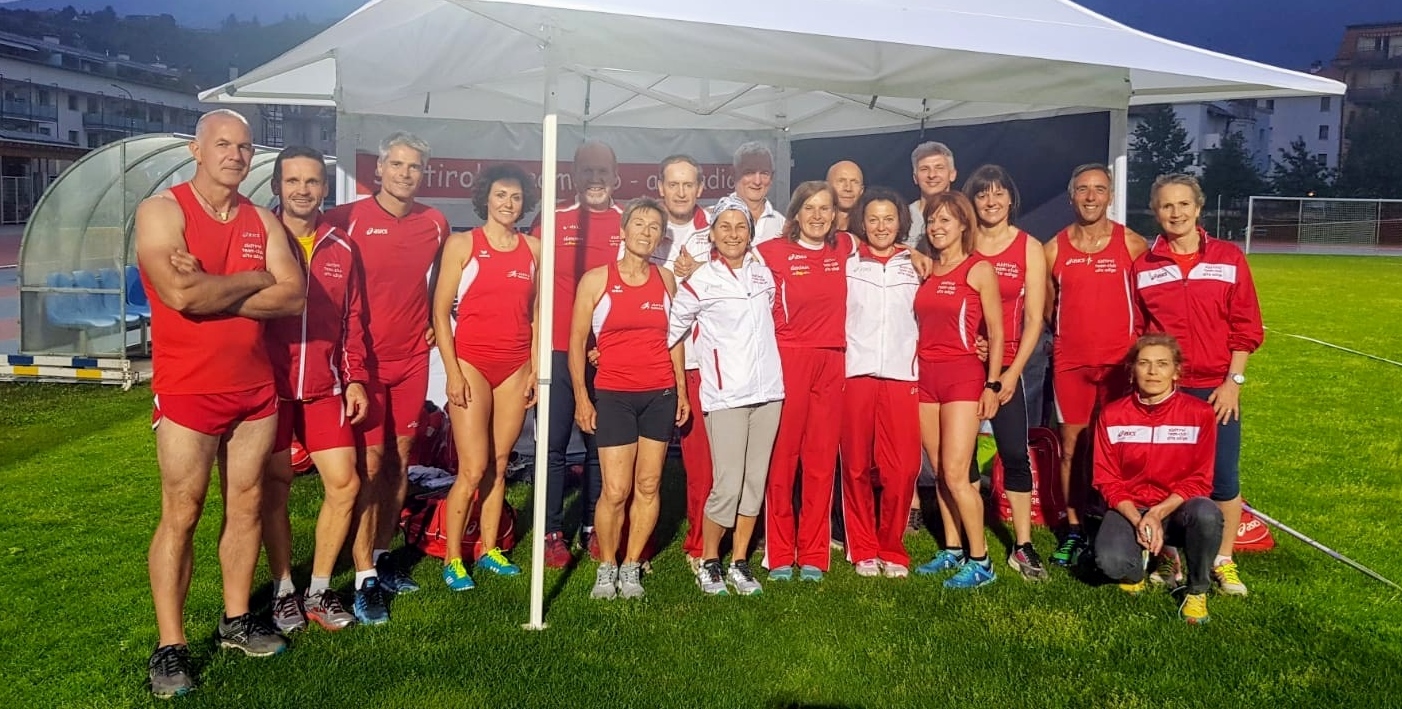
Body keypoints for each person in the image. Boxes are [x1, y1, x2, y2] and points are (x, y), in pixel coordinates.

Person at [135, 109, 305, 698]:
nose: (235, 155)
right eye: (223, 144)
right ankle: (171, 645)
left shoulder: (261, 218)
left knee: (248, 505)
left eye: (244, 147)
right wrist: (255, 278)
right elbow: (181, 293)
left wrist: (216, 286)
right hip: (189, 389)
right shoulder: (163, 211)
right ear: (197, 150)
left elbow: (294, 296)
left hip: (255, 390)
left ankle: (236, 619)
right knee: (182, 512)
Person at [324, 132, 450, 624]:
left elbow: (442, 280)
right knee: (371, 466)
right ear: (378, 169)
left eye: (413, 166)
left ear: (424, 173)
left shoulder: (435, 223)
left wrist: (434, 318)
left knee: (400, 460)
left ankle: (381, 556)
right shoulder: (346, 218)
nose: (404, 173)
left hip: (411, 358)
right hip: (363, 363)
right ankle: (363, 576)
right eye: (396, 164)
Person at [1132, 173, 1263, 597]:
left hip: (1216, 390)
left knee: (1222, 477)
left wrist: (1233, 382)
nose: (1176, 213)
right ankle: (1170, 555)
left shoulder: (1229, 257)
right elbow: (1140, 332)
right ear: (1156, 212)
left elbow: (1246, 326)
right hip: (1166, 392)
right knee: (1167, 478)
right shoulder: (1144, 266)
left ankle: (1223, 559)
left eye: (1183, 204)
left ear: (1198, 208)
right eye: (1167, 206)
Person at [261, 146, 369, 635]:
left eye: (312, 181)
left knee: (345, 485)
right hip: (270, 388)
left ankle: (319, 590)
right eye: (292, 181)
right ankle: (283, 590)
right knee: (275, 487)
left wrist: (355, 377)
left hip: (325, 387)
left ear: (325, 188)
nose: (302, 190)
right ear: (277, 186)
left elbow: (352, 320)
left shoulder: (341, 246)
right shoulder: (261, 238)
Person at [570, 197, 688, 600]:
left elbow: (675, 338)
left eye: (654, 227)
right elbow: (576, 343)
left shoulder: (666, 279)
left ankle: (632, 564)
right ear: (623, 231)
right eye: (639, 224)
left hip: (659, 393)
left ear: (661, 237)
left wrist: (681, 389)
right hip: (615, 394)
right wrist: (583, 397)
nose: (646, 232)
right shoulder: (596, 280)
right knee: (616, 490)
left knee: (649, 484)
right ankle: (607, 565)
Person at [431, 163, 542, 591]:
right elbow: (440, 312)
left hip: (514, 367)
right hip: (473, 364)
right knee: (473, 467)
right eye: (500, 195)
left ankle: (490, 548)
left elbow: (536, 313)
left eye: (515, 197)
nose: (508, 203)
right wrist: (453, 372)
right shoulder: (463, 244)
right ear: (486, 198)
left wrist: (534, 367)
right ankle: (453, 558)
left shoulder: (533, 249)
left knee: (499, 462)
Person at [668, 195, 784, 596]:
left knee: (753, 483)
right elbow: (672, 330)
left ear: (750, 234)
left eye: (740, 227)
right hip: (726, 396)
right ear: (712, 235)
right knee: (727, 484)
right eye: (725, 227)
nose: (733, 234)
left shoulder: (763, 275)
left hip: (768, 393)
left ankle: (739, 562)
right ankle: (708, 560)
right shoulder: (700, 281)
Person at [1044, 163, 1148, 567]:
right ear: (1071, 196)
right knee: (1071, 448)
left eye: (1099, 189)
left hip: (1120, 365)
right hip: (1072, 365)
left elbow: (1147, 304)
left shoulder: (1132, 244)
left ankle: (1119, 522)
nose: (1091, 197)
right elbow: (1049, 307)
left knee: (1120, 447)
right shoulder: (1053, 248)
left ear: (1110, 196)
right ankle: (1074, 529)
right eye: (1083, 189)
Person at [757, 181, 853, 582]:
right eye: (809, 207)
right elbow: (727, 267)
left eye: (825, 208)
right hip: (789, 359)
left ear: (835, 214)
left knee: (820, 459)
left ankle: (813, 551)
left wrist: (914, 254)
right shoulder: (770, 252)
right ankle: (779, 551)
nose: (817, 216)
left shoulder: (845, 246)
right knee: (783, 458)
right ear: (795, 213)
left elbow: (890, 251)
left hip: (832, 361)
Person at [1093, 333, 1224, 625]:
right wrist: (1138, 518)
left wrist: (1157, 513)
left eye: (1162, 364)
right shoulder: (1112, 414)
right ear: (1132, 371)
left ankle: (1197, 590)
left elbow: (1201, 479)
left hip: (1178, 509)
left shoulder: (1199, 413)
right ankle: (1139, 566)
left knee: (1207, 514)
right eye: (1144, 363)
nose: (1153, 372)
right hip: (1131, 507)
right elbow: (1106, 479)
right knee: (1112, 563)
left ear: (1176, 371)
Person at [536, 140, 624, 567]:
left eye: (602, 171)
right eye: (587, 170)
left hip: (605, 354)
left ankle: (592, 525)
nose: (595, 178)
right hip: (556, 349)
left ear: (615, 176)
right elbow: (532, 287)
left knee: (598, 446)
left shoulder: (628, 223)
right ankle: (551, 531)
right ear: (573, 175)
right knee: (552, 446)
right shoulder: (552, 221)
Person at [911, 191, 1004, 589]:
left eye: (946, 220)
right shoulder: (925, 267)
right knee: (938, 470)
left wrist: (993, 384)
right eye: (932, 220)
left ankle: (981, 560)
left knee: (956, 472)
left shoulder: (978, 268)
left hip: (962, 377)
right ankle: (952, 549)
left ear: (964, 224)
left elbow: (996, 333)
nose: (937, 227)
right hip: (925, 376)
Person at [964, 165, 1049, 581]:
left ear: (1011, 198)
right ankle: (965, 540)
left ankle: (1022, 544)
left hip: (1010, 365)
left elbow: (1034, 319)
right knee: (960, 456)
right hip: (966, 363)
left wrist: (1012, 372)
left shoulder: (1028, 246)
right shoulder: (963, 243)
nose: (991, 201)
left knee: (1014, 452)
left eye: (998, 193)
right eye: (982, 194)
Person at [840, 186, 921, 578]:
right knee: (856, 465)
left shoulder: (916, 264)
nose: (881, 226)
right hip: (857, 373)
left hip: (902, 375)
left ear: (900, 221)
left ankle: (892, 547)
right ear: (862, 222)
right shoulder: (849, 261)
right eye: (873, 219)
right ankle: (863, 547)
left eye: (889, 218)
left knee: (902, 469)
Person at [651, 155, 715, 571]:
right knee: (644, 463)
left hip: (701, 361)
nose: (680, 192)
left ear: (700, 188)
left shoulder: (718, 229)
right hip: (650, 359)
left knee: (701, 462)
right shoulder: (645, 226)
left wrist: (699, 272)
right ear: (660, 187)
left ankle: (698, 544)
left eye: (688, 184)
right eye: (673, 184)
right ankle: (635, 545)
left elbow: (743, 275)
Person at [729, 141, 786, 245]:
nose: (757, 181)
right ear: (733, 174)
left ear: (772, 177)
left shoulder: (782, 224)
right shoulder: (713, 218)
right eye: (749, 172)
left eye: (764, 173)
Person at [904, 141, 958, 248]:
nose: (932, 175)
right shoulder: (903, 216)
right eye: (924, 169)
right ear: (915, 178)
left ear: (952, 174)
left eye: (939, 168)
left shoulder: (965, 214)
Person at [827, 160, 865, 232]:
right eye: (841, 181)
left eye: (855, 182)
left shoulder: (869, 231)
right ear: (828, 186)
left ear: (861, 190)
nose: (848, 188)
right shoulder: (814, 228)